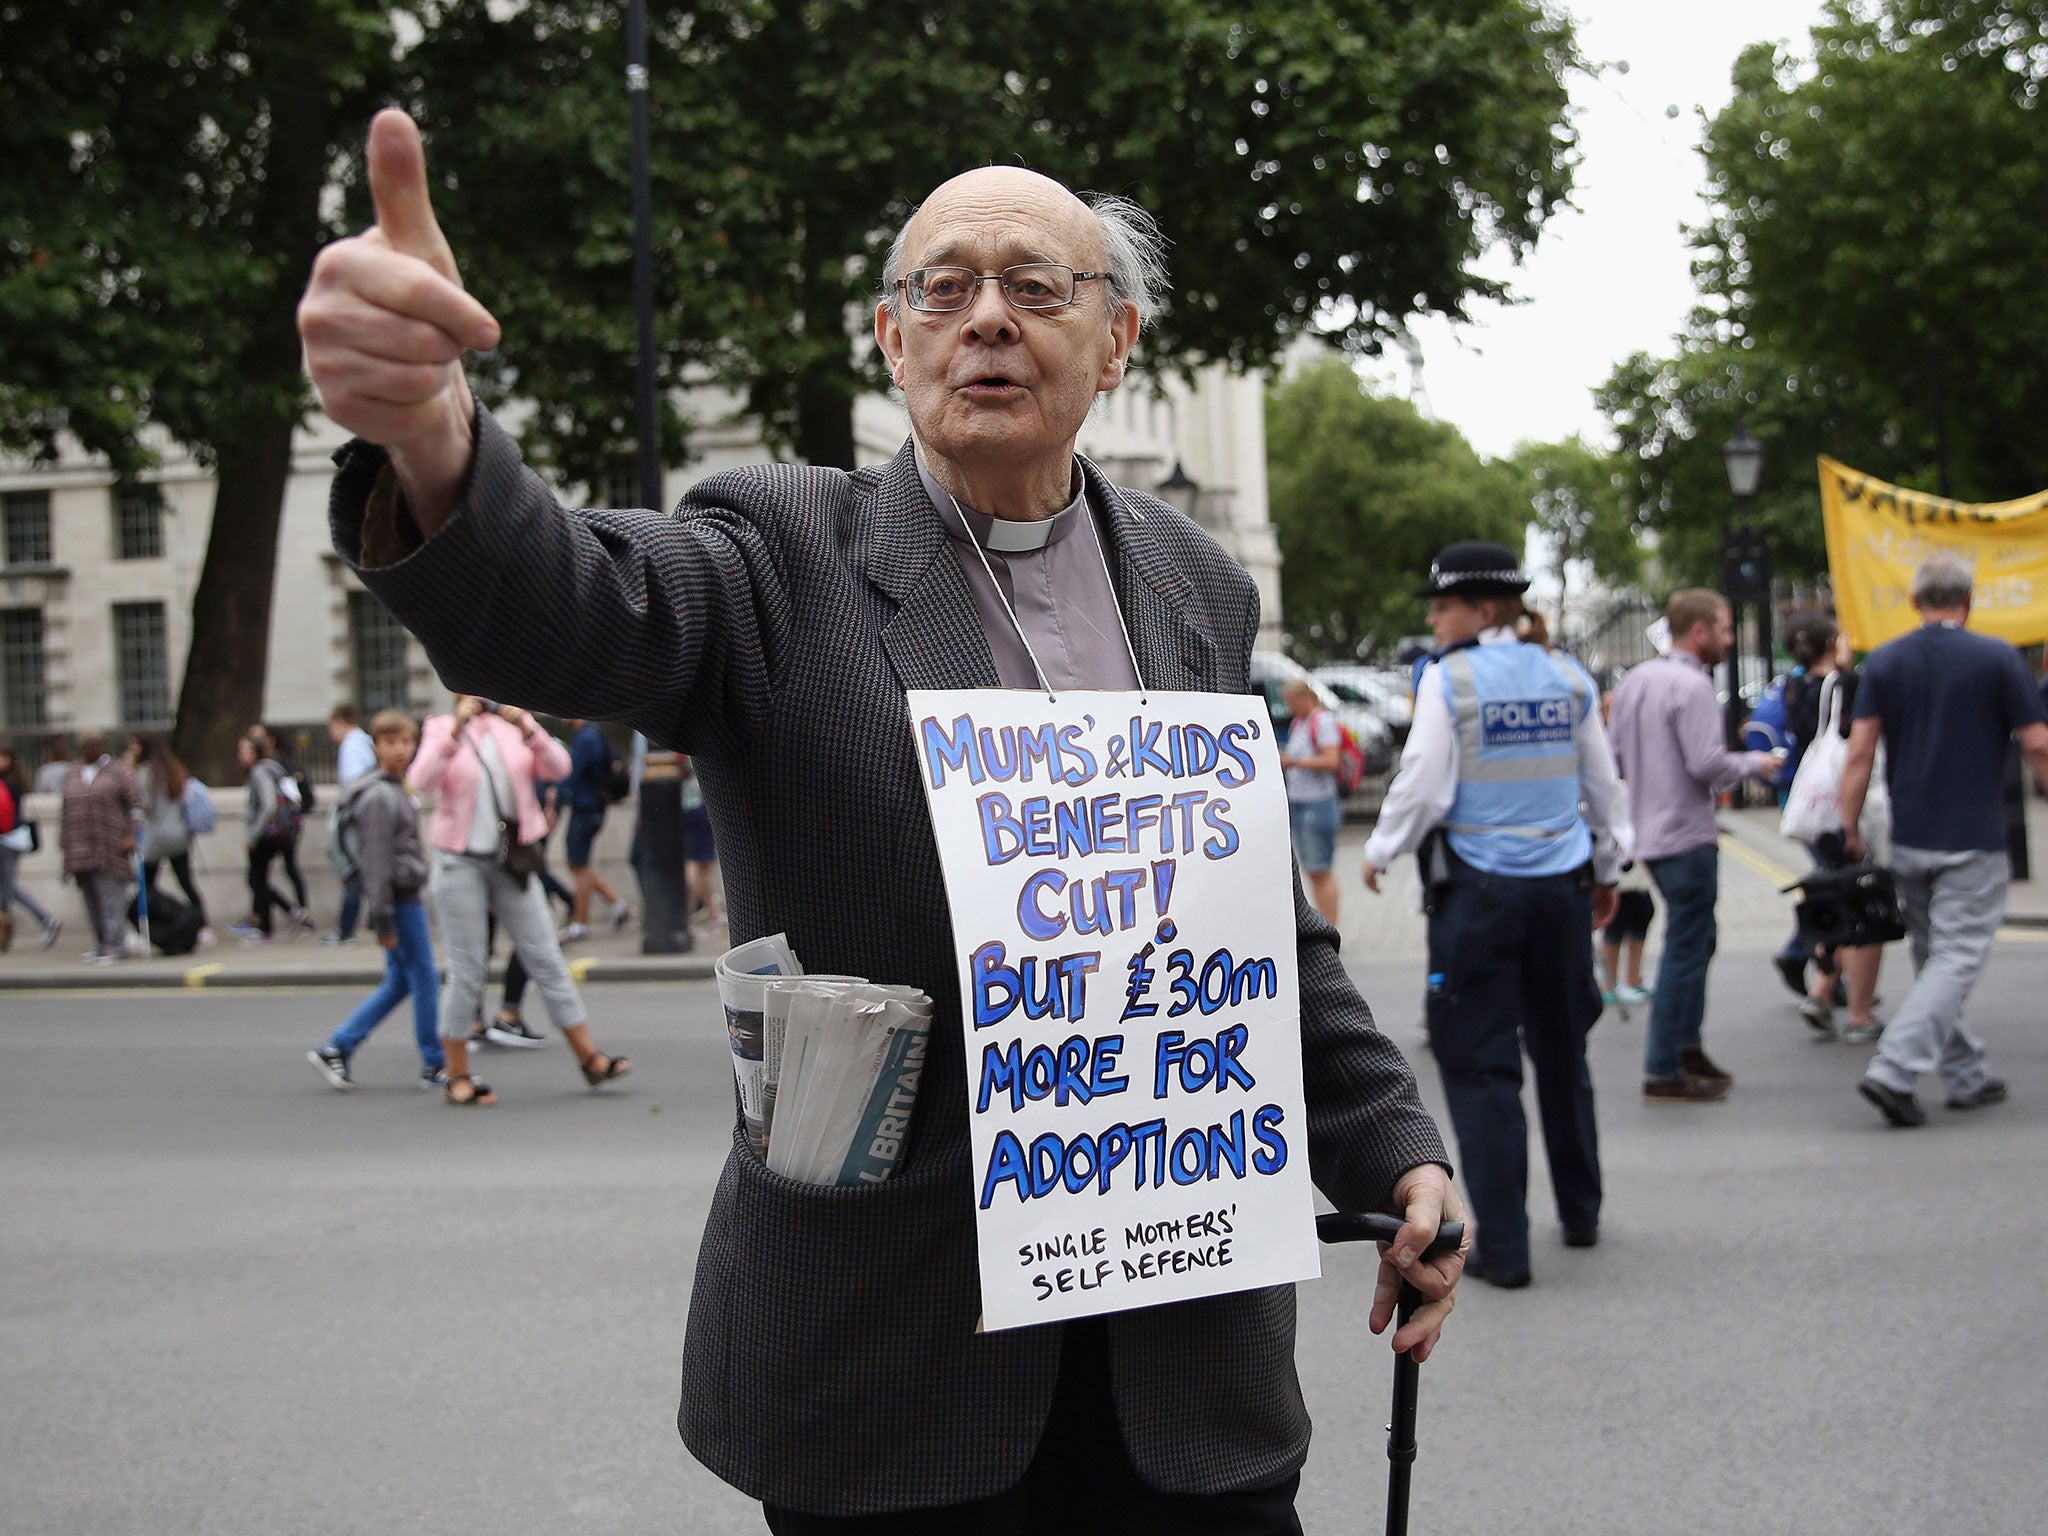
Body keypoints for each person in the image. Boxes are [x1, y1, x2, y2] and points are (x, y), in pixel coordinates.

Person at [301, 110, 1463, 1530]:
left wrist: (1395, 1147)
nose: (986, 319)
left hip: (1184, 1378)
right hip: (894, 1382)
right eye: (942, 288)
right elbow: (568, 608)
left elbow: (1264, 939)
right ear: (890, 339)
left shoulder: (1195, 587)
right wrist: (429, 430)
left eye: (1037, 288)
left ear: (1118, 345)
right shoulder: (782, 552)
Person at [1359, 542, 1625, 1286]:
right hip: (1562, 891)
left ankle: (1504, 1251)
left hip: (1479, 895)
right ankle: (1581, 1214)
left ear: (1483, 609)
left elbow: (1424, 785)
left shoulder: (1453, 679)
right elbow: (1603, 786)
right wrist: (1608, 868)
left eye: (1442, 606)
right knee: (1564, 1053)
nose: (1434, 619)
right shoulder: (1570, 675)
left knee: (1481, 1067)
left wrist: (1380, 849)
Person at [1839, 554, 2048, 1126]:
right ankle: (1894, 1069)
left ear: (1914, 602)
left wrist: (1849, 825)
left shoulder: (1885, 660)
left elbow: (1859, 753)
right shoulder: (1999, 659)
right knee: (1955, 958)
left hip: (1909, 835)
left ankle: (1965, 1074)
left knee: (1935, 957)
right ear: (1970, 600)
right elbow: (2037, 744)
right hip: (1973, 837)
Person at [407, 694, 630, 1105]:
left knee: (545, 956)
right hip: (459, 863)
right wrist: (456, 728)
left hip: (513, 860)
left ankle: (590, 1058)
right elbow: (421, 781)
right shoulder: (441, 728)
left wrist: (529, 729)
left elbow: (559, 768)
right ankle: (456, 1074)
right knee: (467, 969)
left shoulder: (516, 725)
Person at [1607, 591, 1780, 1103]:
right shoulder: (1693, 684)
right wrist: (1757, 764)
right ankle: (1665, 1065)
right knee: (1687, 948)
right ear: (1699, 631)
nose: (1729, 639)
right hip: (1685, 833)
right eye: (1725, 629)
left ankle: (1687, 1048)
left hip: (1648, 834)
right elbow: (1707, 763)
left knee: (1698, 940)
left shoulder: (1636, 680)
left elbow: (1614, 756)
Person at [308, 711, 446, 1090]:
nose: (401, 750)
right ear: (375, 746)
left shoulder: (392, 789)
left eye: (406, 742)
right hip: (398, 900)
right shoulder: (380, 797)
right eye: (391, 742)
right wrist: (383, 920)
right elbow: (376, 863)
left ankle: (338, 1046)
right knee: (423, 978)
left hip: (401, 898)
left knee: (401, 981)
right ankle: (434, 1062)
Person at [58, 730, 142, 963]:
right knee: (91, 898)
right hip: (79, 848)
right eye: (85, 744)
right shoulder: (73, 772)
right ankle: (102, 943)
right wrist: (64, 844)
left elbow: (137, 806)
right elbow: (65, 811)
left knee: (111, 897)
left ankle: (117, 944)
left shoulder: (119, 771)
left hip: (110, 846)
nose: (90, 748)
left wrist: (132, 835)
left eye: (95, 744)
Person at [128, 733, 213, 946]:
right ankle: (202, 925)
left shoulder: (146, 772)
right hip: (180, 835)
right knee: (186, 881)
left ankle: (149, 928)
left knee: (146, 886)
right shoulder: (173, 768)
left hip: (156, 838)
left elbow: (144, 805)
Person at [231, 733, 311, 943]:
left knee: (257, 880)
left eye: (246, 750)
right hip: (284, 831)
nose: (242, 755)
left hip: (267, 834)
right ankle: (290, 911)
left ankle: (270, 925)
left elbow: (268, 805)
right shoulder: (276, 768)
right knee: (259, 879)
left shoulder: (259, 772)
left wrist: (254, 835)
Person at [558, 716, 631, 942]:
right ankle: (617, 904)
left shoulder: (586, 738)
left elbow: (570, 774)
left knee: (578, 865)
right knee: (579, 864)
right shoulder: (591, 734)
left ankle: (580, 923)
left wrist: (556, 801)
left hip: (586, 808)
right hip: (591, 807)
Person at [1277, 679, 1343, 925]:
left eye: (1293, 703)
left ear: (1305, 699)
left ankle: (1331, 926)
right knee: (1312, 870)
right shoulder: (1299, 723)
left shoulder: (1321, 721)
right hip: (1300, 803)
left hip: (1318, 803)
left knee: (1320, 869)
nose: (1291, 709)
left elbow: (1331, 760)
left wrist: (1294, 762)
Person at [324, 704, 379, 945]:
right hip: (368, 816)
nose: (331, 735)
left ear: (339, 722)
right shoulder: (366, 742)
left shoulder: (352, 745)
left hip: (354, 817)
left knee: (351, 871)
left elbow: (352, 783)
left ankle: (346, 929)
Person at [0, 738, 62, 949]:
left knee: (7, 888)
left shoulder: (7, 781)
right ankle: (44, 920)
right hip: (14, 839)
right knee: (7, 887)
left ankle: (44, 920)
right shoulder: (15, 779)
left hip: (7, 840)